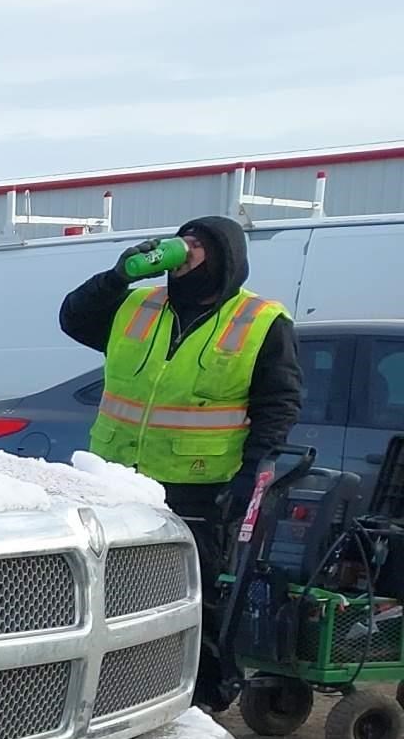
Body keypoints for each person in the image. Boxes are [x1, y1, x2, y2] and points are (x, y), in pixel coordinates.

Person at [59, 214, 301, 704]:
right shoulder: (138, 305)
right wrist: (119, 274)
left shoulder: (260, 323)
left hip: (198, 484)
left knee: (197, 594)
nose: (186, 252)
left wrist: (253, 474)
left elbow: (277, 402)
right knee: (111, 593)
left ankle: (205, 693)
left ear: (226, 259)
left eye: (199, 246)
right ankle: (117, 686)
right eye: (183, 241)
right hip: (115, 478)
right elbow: (73, 319)